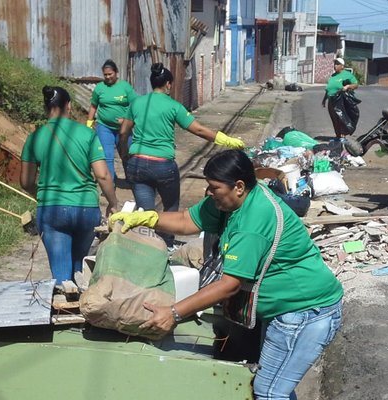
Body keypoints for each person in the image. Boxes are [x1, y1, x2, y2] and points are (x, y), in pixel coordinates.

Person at [108, 150, 344, 400]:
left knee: (270, 391)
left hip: (306, 311)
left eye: (214, 187)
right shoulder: (231, 202)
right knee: (279, 385)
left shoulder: (253, 218)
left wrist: (174, 311)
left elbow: (230, 283)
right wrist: (149, 217)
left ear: (238, 186)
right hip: (287, 312)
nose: (209, 193)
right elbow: (189, 222)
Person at [118, 62, 245, 248]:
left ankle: (147, 247)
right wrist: (225, 140)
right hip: (163, 165)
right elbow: (199, 130)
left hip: (137, 164)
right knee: (170, 209)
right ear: (168, 84)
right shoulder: (173, 106)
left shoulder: (137, 103)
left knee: (145, 212)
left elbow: (123, 133)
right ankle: (168, 246)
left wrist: (124, 155)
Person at [21, 86, 118, 283]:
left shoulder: (34, 138)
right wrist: (113, 202)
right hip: (87, 210)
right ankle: (82, 306)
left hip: (52, 210)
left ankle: (63, 308)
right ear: (69, 106)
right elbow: (103, 175)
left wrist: (38, 194)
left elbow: (25, 181)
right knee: (79, 269)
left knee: (61, 278)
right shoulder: (87, 134)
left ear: (45, 107)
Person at [86, 59, 137, 184]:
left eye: (110, 74)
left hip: (123, 128)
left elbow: (135, 105)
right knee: (107, 156)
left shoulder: (125, 87)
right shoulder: (100, 88)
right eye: (105, 75)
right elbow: (93, 106)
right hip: (104, 127)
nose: (108, 77)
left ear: (116, 73)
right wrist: (89, 124)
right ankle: (110, 183)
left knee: (127, 154)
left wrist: (127, 120)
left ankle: (131, 180)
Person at [321, 57, 360, 139]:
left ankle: (343, 135)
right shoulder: (333, 76)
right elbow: (328, 89)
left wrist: (348, 86)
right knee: (334, 119)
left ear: (342, 66)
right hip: (331, 101)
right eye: (335, 63)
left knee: (341, 118)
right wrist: (324, 100)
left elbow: (356, 85)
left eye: (337, 64)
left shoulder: (347, 75)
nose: (335, 65)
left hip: (341, 101)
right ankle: (338, 136)